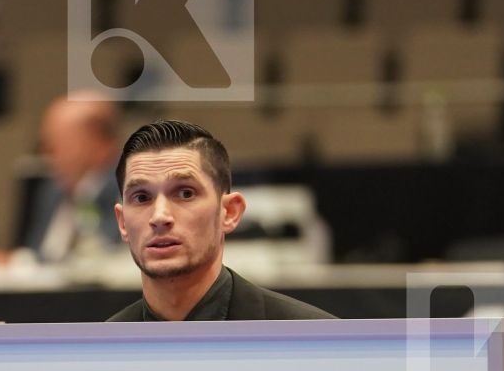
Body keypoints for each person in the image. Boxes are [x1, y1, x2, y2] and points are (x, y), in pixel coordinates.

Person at [107, 120, 334, 322]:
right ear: (123, 222)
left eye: (185, 193)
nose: (159, 216)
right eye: (141, 197)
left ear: (230, 212)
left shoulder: (312, 339)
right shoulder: (101, 349)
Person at [23, 93, 125, 263]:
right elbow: (38, 253)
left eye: (58, 143)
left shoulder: (127, 188)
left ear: (98, 142)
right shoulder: (52, 190)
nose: (46, 153)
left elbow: (108, 253)